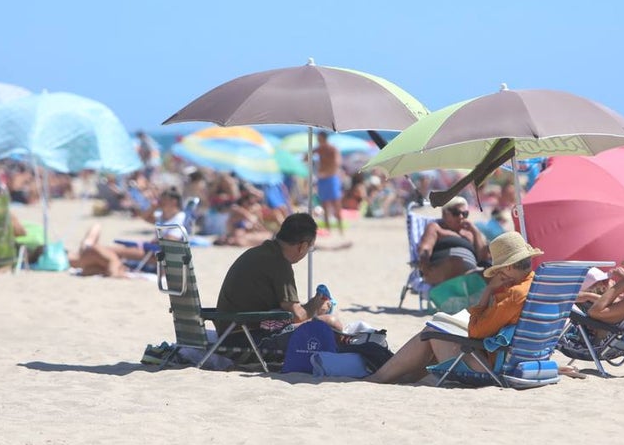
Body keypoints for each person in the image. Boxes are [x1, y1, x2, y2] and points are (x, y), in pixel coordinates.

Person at [367, 232, 578, 383]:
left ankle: (379, 377)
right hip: (529, 360)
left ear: (507, 267)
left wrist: (488, 291)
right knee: (441, 329)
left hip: (493, 367)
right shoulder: (541, 286)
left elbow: (476, 332)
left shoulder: (514, 294)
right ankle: (402, 377)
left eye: (498, 269)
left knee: (431, 332)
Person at [215, 213, 340, 343]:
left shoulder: (260, 252)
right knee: (331, 323)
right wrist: (316, 304)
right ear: (302, 247)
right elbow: (298, 316)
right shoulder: (279, 263)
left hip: (229, 330)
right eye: (310, 248)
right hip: (246, 337)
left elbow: (288, 311)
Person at [417, 196, 491, 286]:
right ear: (444, 214)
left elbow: (484, 258)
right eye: (456, 213)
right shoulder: (437, 228)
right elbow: (425, 249)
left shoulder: (470, 234)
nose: (461, 217)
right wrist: (424, 265)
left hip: (469, 272)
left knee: (492, 273)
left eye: (465, 214)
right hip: (441, 270)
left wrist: (475, 231)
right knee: (457, 261)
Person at [313, 132, 344, 234]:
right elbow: (306, 156)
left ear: (323, 138)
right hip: (323, 178)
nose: (318, 140)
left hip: (331, 178)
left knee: (336, 203)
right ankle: (328, 229)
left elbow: (337, 163)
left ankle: (340, 228)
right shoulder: (319, 149)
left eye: (319, 138)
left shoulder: (332, 149)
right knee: (324, 204)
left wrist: (326, 173)